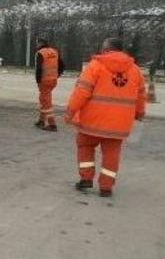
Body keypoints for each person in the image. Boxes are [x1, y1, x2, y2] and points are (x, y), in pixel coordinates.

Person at [64, 37, 147, 198]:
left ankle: (86, 178)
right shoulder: (135, 70)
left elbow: (81, 92)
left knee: (85, 147)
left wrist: (70, 112)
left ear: (107, 49)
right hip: (119, 124)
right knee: (111, 154)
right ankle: (106, 187)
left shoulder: (95, 66)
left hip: (91, 121)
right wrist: (139, 115)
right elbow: (141, 96)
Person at [34, 36, 65, 131]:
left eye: (37, 43)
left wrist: (38, 80)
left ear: (40, 43)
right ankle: (41, 120)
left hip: (44, 81)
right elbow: (62, 66)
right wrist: (56, 75)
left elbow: (39, 69)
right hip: (53, 80)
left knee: (46, 102)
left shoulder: (40, 53)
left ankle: (52, 124)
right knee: (44, 99)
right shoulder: (54, 51)